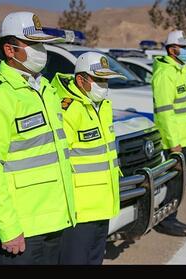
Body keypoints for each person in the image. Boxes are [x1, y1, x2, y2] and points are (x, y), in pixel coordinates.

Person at [0, 12, 76, 265]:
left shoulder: (46, 90)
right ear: (10, 49)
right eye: (34, 44)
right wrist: (8, 227)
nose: (42, 50)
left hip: (55, 220)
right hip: (22, 229)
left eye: (42, 44)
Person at [51, 52, 123, 264]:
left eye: (106, 80)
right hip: (79, 210)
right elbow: (59, 162)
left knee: (94, 260)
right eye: (99, 79)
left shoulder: (102, 106)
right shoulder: (68, 110)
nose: (104, 85)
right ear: (81, 80)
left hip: (102, 204)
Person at [151, 30, 186, 237]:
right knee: (173, 181)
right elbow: (165, 112)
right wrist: (174, 143)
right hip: (175, 141)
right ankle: (165, 220)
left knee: (179, 181)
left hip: (184, 136)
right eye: (184, 47)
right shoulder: (165, 74)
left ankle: (173, 216)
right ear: (173, 49)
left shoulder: (180, 70)